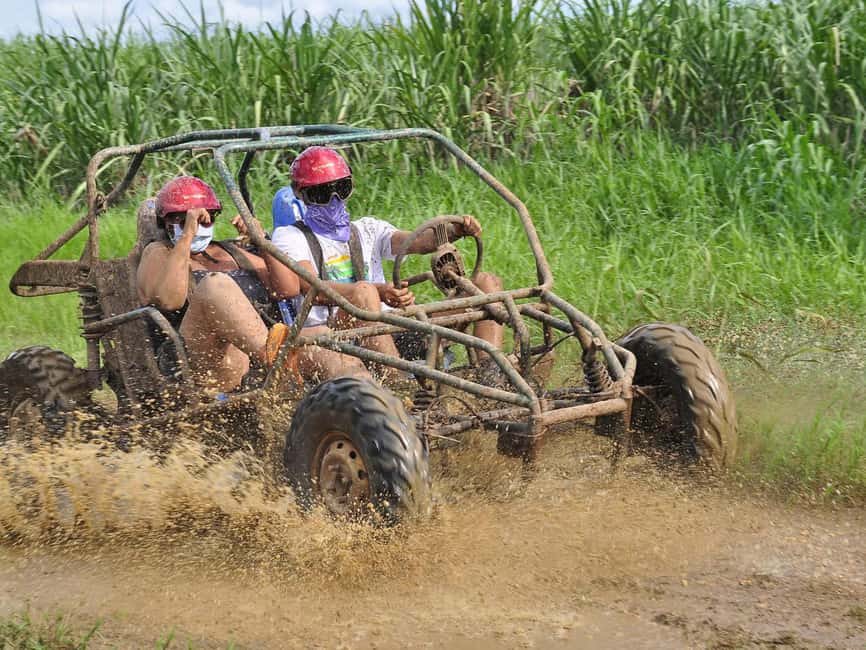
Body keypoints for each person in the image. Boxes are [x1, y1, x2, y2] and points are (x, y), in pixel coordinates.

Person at [271, 146, 504, 380]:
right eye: (321, 194)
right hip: (336, 333)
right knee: (364, 292)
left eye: (341, 189)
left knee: (486, 282)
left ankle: (492, 375)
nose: (334, 200)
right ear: (301, 193)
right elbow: (311, 286)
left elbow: (418, 241)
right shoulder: (289, 236)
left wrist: (455, 230)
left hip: (394, 327)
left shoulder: (368, 229)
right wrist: (379, 291)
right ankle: (399, 385)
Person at [136, 175, 367, 392]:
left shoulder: (232, 250)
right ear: (165, 222)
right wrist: (187, 235)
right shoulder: (158, 253)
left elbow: (285, 289)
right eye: (180, 218)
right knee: (215, 285)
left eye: (204, 218)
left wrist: (261, 241)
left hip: (266, 353)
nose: (197, 225)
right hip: (203, 363)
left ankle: (381, 400)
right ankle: (279, 362)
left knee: (330, 348)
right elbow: (169, 299)